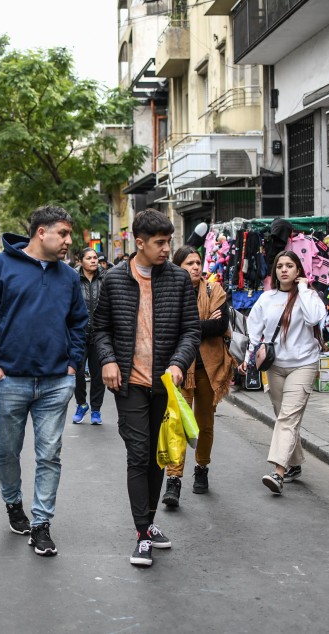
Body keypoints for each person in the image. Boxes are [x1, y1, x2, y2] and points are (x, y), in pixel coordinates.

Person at [0, 205, 89, 557]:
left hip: (55, 382)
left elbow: (78, 323)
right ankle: (13, 504)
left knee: (50, 453)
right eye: (63, 234)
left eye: (69, 234)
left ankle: (41, 525)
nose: (69, 241)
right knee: (7, 450)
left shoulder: (68, 276)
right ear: (41, 233)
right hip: (10, 381)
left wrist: (72, 366)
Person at [92, 209, 200, 567]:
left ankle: (149, 523)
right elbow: (100, 328)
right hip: (129, 383)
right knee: (138, 455)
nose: (167, 248)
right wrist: (107, 359)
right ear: (139, 243)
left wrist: (178, 363)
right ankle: (142, 533)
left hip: (165, 385)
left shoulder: (179, 280)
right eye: (160, 243)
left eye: (169, 241)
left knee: (157, 458)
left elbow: (191, 331)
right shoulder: (114, 279)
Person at [241, 251, 326, 494]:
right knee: (284, 417)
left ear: (298, 270)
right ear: (275, 271)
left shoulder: (309, 297)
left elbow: (314, 318)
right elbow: (254, 333)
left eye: (290, 266)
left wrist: (305, 289)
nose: (284, 270)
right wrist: (247, 360)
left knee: (288, 418)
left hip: (304, 365)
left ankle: (278, 472)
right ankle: (295, 463)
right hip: (275, 367)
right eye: (280, 266)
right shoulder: (267, 299)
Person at [160, 246, 233, 508]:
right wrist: (201, 324)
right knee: (177, 426)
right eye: (189, 262)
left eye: (198, 262)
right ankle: (174, 480)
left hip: (209, 371)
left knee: (204, 424)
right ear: (177, 266)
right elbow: (166, 327)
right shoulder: (167, 292)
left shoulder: (215, 290)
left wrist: (188, 326)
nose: (195, 267)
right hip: (179, 370)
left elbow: (220, 325)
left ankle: (201, 468)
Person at [72, 248, 106, 425]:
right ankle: (81, 404)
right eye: (89, 258)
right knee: (77, 373)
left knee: (98, 375)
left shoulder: (105, 277)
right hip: (78, 334)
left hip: (100, 334)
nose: (94, 261)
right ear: (81, 260)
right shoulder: (72, 278)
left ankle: (96, 410)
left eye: (95, 258)